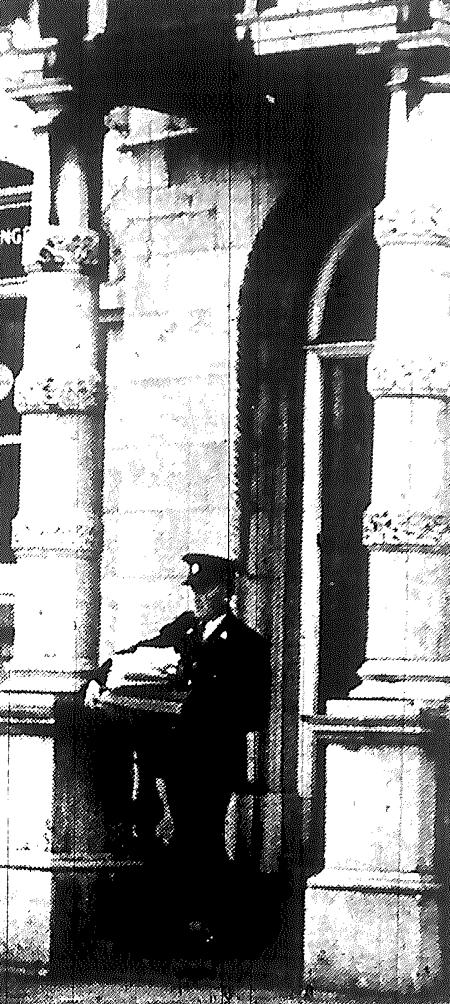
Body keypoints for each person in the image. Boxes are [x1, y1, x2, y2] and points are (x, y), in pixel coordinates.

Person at [155, 552, 272, 950]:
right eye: (194, 591)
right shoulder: (184, 632)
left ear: (226, 592)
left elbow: (256, 711)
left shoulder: (248, 643)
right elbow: (141, 651)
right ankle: (197, 920)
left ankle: (213, 921)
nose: (198, 599)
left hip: (216, 757)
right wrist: (100, 677)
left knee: (203, 833)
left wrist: (203, 697)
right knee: (188, 831)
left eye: (206, 591)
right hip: (179, 756)